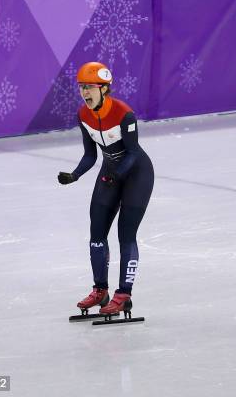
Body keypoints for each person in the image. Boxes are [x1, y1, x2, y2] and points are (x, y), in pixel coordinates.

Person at [58, 62, 154, 316]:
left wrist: (118, 175)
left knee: (126, 235)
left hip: (136, 176)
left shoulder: (124, 113)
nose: (85, 93)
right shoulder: (83, 115)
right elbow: (90, 155)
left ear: (104, 88)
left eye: (89, 87)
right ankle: (101, 290)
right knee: (97, 235)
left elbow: (132, 153)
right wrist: (74, 175)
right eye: (81, 88)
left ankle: (124, 295)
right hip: (109, 174)